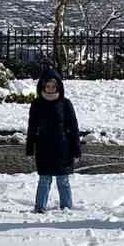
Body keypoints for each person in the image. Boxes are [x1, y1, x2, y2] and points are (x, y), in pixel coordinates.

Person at [25, 67, 80, 213]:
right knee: (44, 180)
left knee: (63, 180)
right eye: (47, 86)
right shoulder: (37, 104)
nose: (50, 89)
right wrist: (30, 149)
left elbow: (74, 127)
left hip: (63, 149)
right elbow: (32, 128)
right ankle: (40, 207)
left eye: (53, 86)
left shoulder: (65, 103)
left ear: (58, 86)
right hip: (44, 148)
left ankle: (66, 207)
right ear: (43, 86)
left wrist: (76, 150)